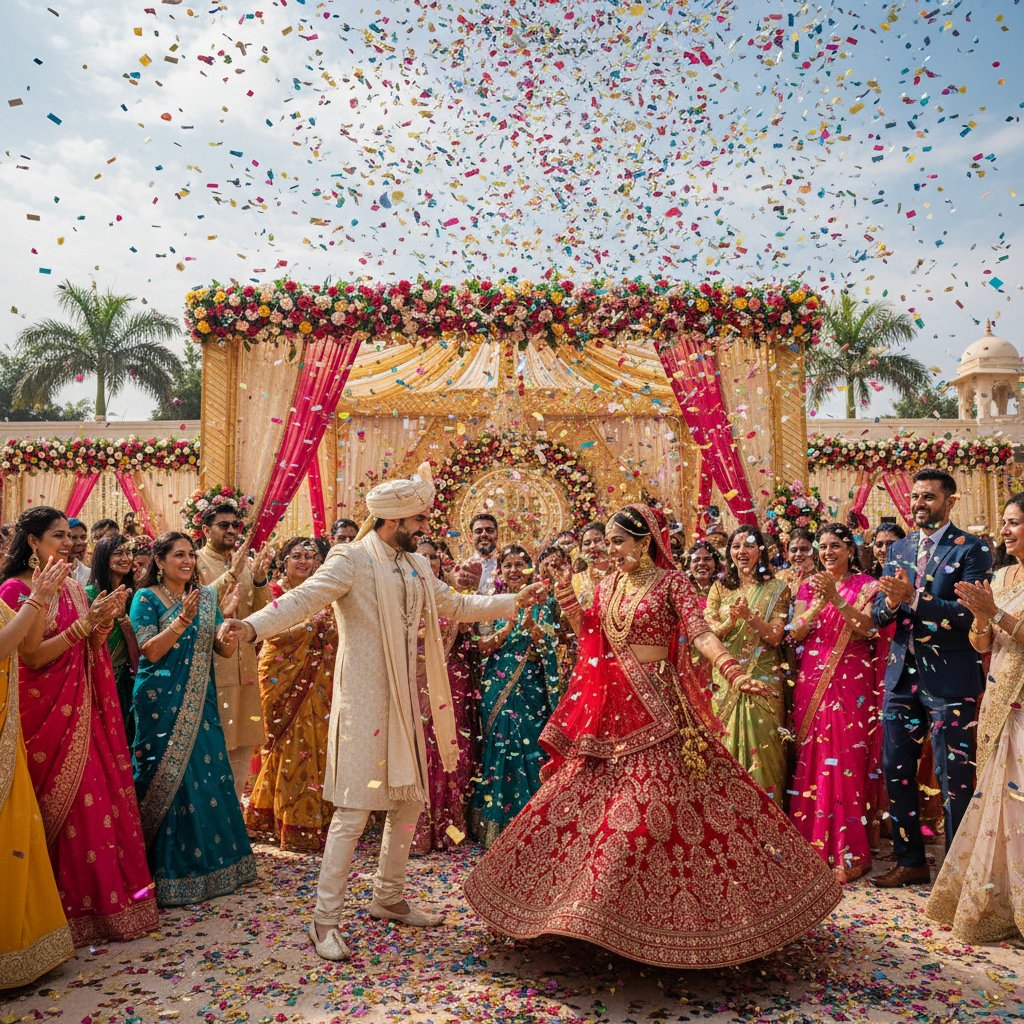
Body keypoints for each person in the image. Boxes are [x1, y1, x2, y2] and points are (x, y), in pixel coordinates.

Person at [463, 504, 842, 968]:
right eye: (606, 542)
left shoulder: (672, 584)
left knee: (658, 809)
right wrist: (569, 606)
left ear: (645, 542)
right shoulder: (607, 585)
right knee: (589, 805)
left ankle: (681, 924)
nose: (610, 550)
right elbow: (592, 636)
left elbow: (700, 632)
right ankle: (584, 915)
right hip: (611, 711)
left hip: (661, 710)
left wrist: (732, 670)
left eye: (618, 541)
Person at [218, 464, 548, 962]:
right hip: (364, 704)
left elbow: (453, 603)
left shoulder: (416, 565)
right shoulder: (351, 559)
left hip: (404, 702)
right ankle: (323, 921)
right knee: (352, 813)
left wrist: (512, 600)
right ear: (393, 520)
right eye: (419, 519)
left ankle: (387, 896)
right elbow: (304, 600)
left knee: (408, 803)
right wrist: (250, 626)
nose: (425, 528)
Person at [0, 507, 158, 945]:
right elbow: (31, 656)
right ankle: (57, 918)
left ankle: (100, 908)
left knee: (95, 809)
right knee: (61, 812)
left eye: (69, 536)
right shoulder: (16, 588)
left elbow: (87, 643)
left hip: (83, 711)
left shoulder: (71, 585)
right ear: (31, 541)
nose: (68, 544)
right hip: (42, 717)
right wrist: (86, 625)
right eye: (56, 536)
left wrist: (101, 621)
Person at [870, 468, 992, 888]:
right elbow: (881, 615)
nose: (919, 504)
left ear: (950, 502)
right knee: (896, 769)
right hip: (902, 678)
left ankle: (955, 875)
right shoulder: (899, 548)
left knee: (952, 776)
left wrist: (914, 598)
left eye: (929, 497)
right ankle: (911, 862)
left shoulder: (973, 550)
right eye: (916, 497)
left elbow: (967, 615)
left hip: (951, 680)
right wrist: (888, 604)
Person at [130, 532, 257, 906]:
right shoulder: (145, 598)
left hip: (201, 701)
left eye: (190, 555)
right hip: (160, 702)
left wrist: (228, 626)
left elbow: (219, 645)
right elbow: (151, 651)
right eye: (178, 555)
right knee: (170, 779)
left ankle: (217, 866)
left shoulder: (207, 597)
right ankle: (169, 871)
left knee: (207, 774)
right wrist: (182, 621)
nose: (187, 562)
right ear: (159, 561)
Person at [927, 493, 1024, 942]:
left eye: (1013, 523)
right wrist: (983, 621)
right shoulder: (1001, 575)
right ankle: (997, 899)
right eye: (1004, 523)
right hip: (999, 693)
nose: (1003, 531)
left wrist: (995, 614)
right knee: (1000, 801)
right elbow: (982, 644)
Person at [787, 524, 889, 883]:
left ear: (850, 549)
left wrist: (838, 599)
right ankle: (810, 846)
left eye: (835, 546)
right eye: (823, 546)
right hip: (812, 673)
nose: (828, 552)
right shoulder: (808, 585)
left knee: (845, 756)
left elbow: (869, 629)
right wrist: (816, 604)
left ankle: (849, 851)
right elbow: (795, 631)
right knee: (812, 756)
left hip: (851, 677)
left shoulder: (868, 586)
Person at [0, 557, 75, 990]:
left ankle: (24, 946)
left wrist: (40, 601)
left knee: (17, 833)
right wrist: (37, 600)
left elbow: (25, 643)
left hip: (7, 731)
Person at [245, 537, 337, 852]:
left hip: (319, 678)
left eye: (310, 556)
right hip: (279, 674)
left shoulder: (326, 595)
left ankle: (313, 818)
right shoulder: (272, 592)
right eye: (295, 555)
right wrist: (310, 626)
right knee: (284, 741)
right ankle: (276, 816)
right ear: (284, 562)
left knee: (314, 741)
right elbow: (265, 631)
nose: (303, 561)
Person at [469, 544, 562, 847]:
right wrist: (508, 629)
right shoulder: (492, 603)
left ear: (529, 569)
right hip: (497, 686)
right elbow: (481, 647)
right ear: (499, 571)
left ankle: (533, 822)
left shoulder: (543, 604)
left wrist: (534, 629)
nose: (513, 570)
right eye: (507, 565)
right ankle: (495, 825)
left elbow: (552, 650)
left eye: (519, 565)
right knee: (498, 744)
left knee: (531, 746)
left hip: (530, 687)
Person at [704, 525, 791, 806]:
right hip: (726, 677)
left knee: (764, 750)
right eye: (736, 546)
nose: (742, 551)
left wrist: (750, 618)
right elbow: (708, 632)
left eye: (749, 545)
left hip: (763, 676)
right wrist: (732, 620)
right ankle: (729, 824)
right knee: (725, 747)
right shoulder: (719, 588)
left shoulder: (777, 588)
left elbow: (776, 636)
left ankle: (768, 823)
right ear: (729, 553)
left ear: (761, 551)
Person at [195, 503, 275, 799]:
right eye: (223, 525)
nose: (231, 531)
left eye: (234, 526)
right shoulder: (196, 563)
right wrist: (231, 574)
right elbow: (199, 606)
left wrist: (258, 579)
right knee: (215, 749)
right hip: (214, 671)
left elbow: (261, 614)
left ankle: (234, 829)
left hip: (246, 674)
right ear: (206, 530)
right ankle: (212, 824)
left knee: (241, 753)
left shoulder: (244, 564)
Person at [410, 538, 479, 854]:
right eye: (419, 556)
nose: (426, 562)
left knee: (445, 749)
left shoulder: (450, 598)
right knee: (414, 751)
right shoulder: (399, 595)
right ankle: (413, 830)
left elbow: (470, 633)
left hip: (450, 681)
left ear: (441, 563)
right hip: (409, 683)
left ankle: (446, 829)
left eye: (433, 557)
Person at [87, 532, 140, 747]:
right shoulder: (91, 594)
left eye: (128, 552)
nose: (126, 558)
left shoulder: (135, 594)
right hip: (97, 674)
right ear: (103, 558)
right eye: (118, 553)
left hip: (126, 677)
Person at [571, 521, 610, 609]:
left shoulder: (622, 574)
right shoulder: (575, 581)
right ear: (581, 551)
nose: (592, 546)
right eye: (587, 543)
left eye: (597, 540)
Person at [777, 527, 818, 598]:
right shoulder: (779, 577)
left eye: (804, 549)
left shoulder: (821, 579)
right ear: (787, 553)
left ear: (813, 552)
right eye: (793, 550)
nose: (798, 554)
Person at [468, 512, 499, 593]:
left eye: (490, 530)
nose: (484, 534)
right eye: (478, 531)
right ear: (471, 538)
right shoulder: (464, 568)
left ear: (496, 536)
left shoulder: (506, 567)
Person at [686, 540, 723, 608]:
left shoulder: (724, 589)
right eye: (696, 560)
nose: (701, 563)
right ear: (689, 566)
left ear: (715, 564)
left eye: (707, 559)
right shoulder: (683, 589)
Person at [67, 517, 91, 585]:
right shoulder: (51, 571)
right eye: (73, 537)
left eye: (83, 537)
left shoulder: (88, 572)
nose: (80, 542)